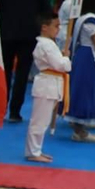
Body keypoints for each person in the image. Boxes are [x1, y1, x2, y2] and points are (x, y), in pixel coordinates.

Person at [0, 0, 46, 122]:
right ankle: (15, 112)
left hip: (5, 35)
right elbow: (46, 11)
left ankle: (1, 108)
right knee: (22, 74)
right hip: (29, 35)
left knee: (5, 73)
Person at [23, 14, 70, 165]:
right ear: (44, 27)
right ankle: (33, 152)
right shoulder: (45, 44)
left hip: (51, 83)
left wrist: (63, 57)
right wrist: (66, 59)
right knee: (39, 121)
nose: (58, 29)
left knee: (43, 120)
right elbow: (60, 65)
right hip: (47, 84)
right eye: (56, 26)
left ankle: (36, 149)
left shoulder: (49, 44)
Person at [66, 0, 95, 143]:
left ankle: (79, 125)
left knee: (81, 90)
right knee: (87, 91)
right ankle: (79, 130)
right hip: (90, 57)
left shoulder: (83, 18)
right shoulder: (90, 20)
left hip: (83, 55)